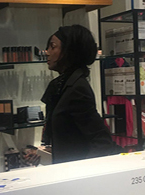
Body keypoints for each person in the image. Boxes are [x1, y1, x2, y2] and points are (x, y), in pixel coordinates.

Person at [41, 25, 120, 164]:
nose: (47, 52)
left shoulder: (77, 89)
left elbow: (101, 141)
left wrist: (82, 171)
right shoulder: (62, 86)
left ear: (69, 51)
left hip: (75, 172)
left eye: (53, 47)